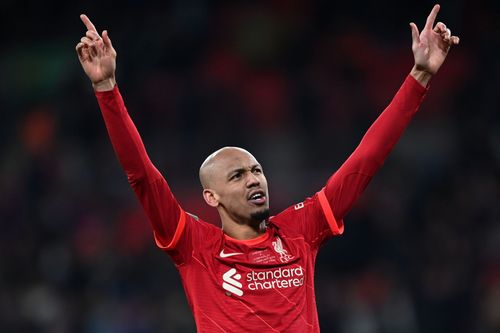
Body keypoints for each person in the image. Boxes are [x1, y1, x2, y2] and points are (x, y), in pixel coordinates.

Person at [76, 5, 459, 332]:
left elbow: (365, 160)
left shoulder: (299, 232)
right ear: (211, 196)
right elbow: (142, 175)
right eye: (238, 175)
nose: (254, 179)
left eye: (256, 170)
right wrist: (107, 88)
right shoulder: (196, 247)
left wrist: (420, 76)